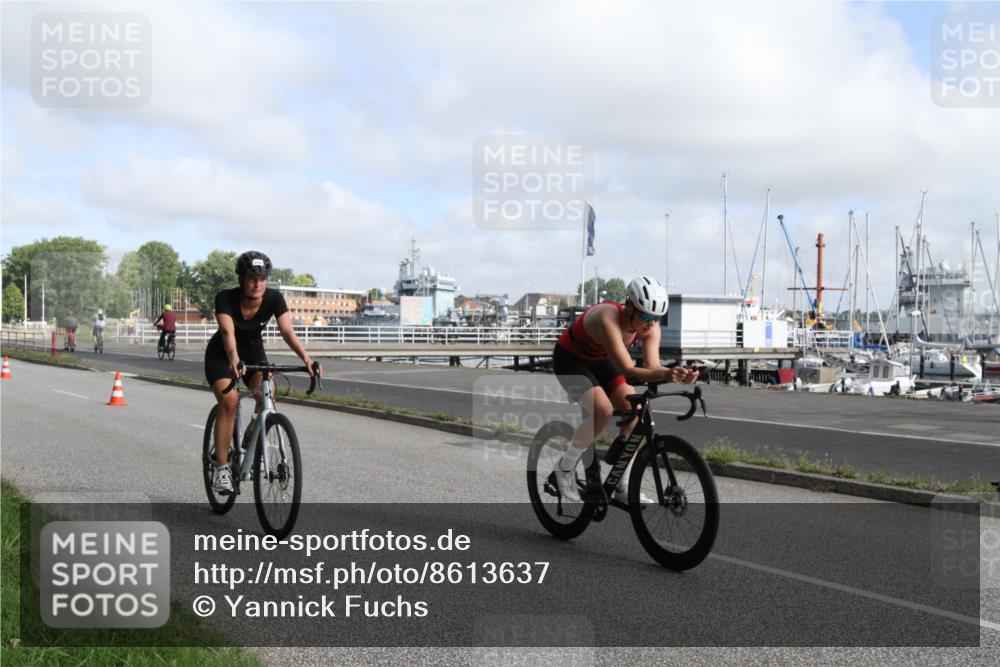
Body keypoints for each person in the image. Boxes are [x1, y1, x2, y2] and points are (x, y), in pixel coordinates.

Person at [551, 276, 697, 503]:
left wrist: (678, 375)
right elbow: (628, 369)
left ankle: (622, 485)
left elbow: (652, 368)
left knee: (634, 412)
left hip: (599, 358)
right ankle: (564, 467)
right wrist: (668, 374)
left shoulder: (650, 328)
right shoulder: (607, 317)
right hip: (570, 359)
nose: (651, 323)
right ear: (629, 306)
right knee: (603, 410)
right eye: (646, 316)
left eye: (657, 318)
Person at [204, 251, 321, 494]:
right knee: (230, 401)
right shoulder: (225, 298)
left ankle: (252, 435)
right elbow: (228, 333)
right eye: (251, 279)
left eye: (263, 279)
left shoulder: (274, 298)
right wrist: (234, 359)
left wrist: (307, 359)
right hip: (223, 355)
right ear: (241, 279)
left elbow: (288, 331)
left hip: (254, 355)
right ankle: (222, 469)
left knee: (269, 394)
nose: (258, 284)